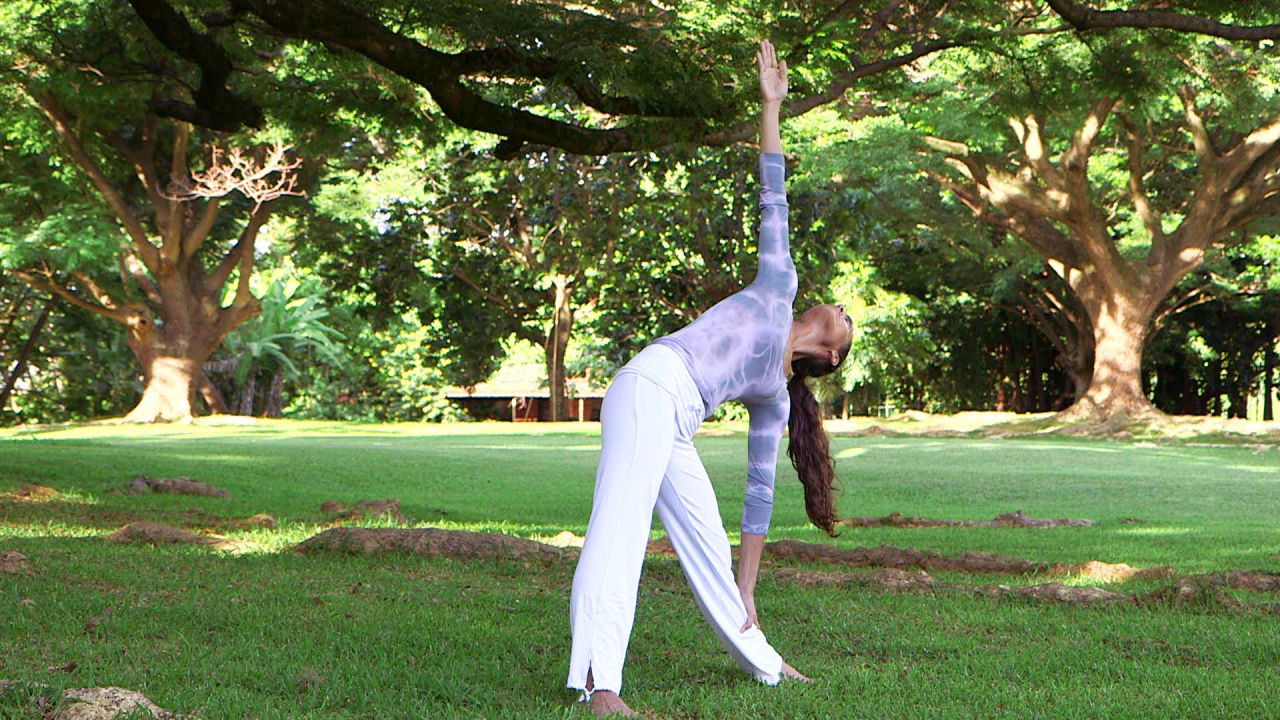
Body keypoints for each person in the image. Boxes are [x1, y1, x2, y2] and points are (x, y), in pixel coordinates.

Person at [566, 39, 853, 718]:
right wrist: (771, 107)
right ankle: (601, 687)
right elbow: (773, 192)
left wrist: (747, 589)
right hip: (650, 385)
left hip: (675, 418)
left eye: (848, 322)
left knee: (705, 534)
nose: (841, 309)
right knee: (621, 530)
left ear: (832, 357)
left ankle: (765, 660)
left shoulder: (775, 399)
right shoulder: (778, 285)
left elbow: (758, 499)